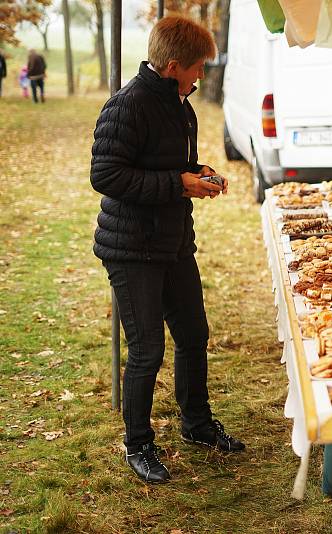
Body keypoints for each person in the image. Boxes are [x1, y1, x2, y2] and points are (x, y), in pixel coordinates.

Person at [90, 15, 244, 484]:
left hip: (173, 241)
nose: (202, 76)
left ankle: (196, 424)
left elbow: (167, 161)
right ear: (174, 64)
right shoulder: (127, 106)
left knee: (194, 334)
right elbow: (107, 176)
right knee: (146, 350)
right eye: (198, 67)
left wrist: (199, 173)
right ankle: (137, 444)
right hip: (132, 247)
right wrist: (178, 183)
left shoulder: (180, 103)